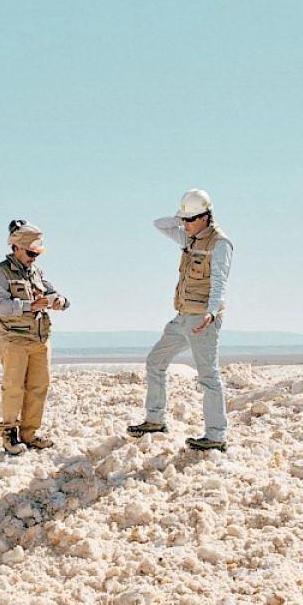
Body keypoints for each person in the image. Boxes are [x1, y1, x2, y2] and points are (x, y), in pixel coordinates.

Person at [127, 189, 234, 451]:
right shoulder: (189, 236)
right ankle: (155, 420)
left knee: (208, 376)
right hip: (182, 315)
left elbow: (219, 280)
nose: (185, 225)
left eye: (190, 219)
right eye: (183, 220)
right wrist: (182, 218)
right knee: (156, 361)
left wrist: (210, 312)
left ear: (206, 217)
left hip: (202, 319)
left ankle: (216, 436)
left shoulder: (220, 243)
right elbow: (159, 224)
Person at [0, 220, 68, 455]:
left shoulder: (36, 272)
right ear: (16, 248)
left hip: (40, 339)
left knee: (38, 387)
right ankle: (9, 433)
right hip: (14, 340)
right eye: (31, 252)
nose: (34, 257)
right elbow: (2, 305)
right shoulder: (0, 272)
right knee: (13, 387)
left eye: (37, 253)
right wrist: (30, 305)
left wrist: (58, 302)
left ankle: (29, 433)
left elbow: (55, 293)